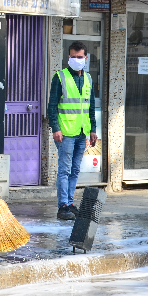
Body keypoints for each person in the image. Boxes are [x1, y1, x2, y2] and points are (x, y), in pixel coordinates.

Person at [48, 41, 97, 221]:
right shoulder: (60, 77)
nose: (76, 60)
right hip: (65, 133)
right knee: (65, 170)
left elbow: (90, 106)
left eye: (79, 57)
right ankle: (63, 206)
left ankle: (69, 202)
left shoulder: (88, 79)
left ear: (85, 58)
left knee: (75, 170)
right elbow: (52, 106)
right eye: (73, 57)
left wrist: (93, 129)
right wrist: (56, 128)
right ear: (68, 57)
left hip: (81, 132)